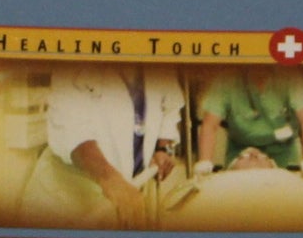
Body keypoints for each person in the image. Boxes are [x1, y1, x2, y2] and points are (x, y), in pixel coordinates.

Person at [22, 64, 184, 227]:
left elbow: (171, 107)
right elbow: (73, 130)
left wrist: (162, 148)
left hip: (113, 199)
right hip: (62, 202)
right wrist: (111, 180)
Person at [196, 68, 303, 177]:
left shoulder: (291, 77)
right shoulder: (226, 79)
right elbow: (209, 125)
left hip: (283, 151)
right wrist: (205, 161)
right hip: (240, 150)